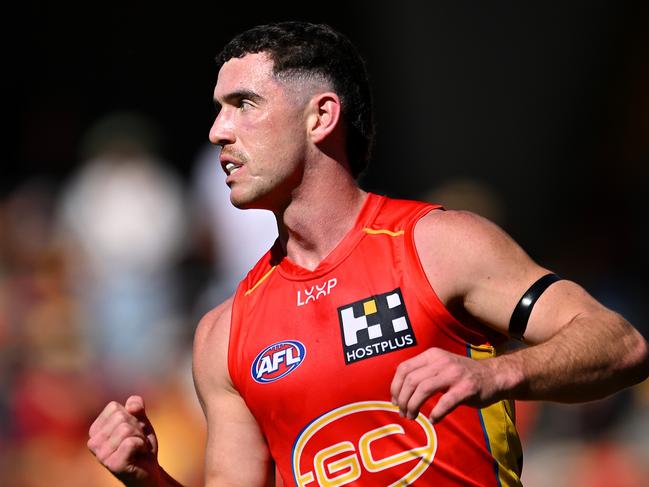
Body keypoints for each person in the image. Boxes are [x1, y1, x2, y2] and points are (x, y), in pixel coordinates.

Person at [87, 21, 649, 487]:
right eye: (218, 109)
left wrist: (501, 374)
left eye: (244, 104)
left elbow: (621, 343)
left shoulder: (437, 246)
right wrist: (148, 479)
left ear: (321, 117)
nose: (216, 131)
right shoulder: (224, 333)